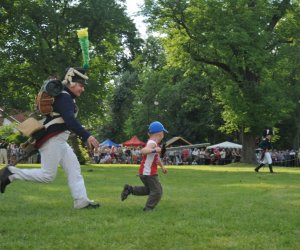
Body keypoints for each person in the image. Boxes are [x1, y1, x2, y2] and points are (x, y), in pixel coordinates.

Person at [0, 67, 100, 209]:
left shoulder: (65, 96)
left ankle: (81, 201)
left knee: (74, 169)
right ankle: (11, 173)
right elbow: (70, 121)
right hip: (53, 139)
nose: (82, 89)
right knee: (47, 176)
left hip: (60, 140)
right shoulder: (65, 97)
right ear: (71, 83)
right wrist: (87, 136)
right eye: (81, 85)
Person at [120, 121, 168, 212]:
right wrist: (154, 150)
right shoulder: (152, 143)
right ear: (160, 134)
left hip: (146, 172)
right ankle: (148, 208)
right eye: (163, 133)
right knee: (157, 191)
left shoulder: (154, 143)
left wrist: (162, 167)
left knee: (149, 190)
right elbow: (143, 151)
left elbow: (156, 159)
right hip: (148, 173)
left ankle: (129, 189)